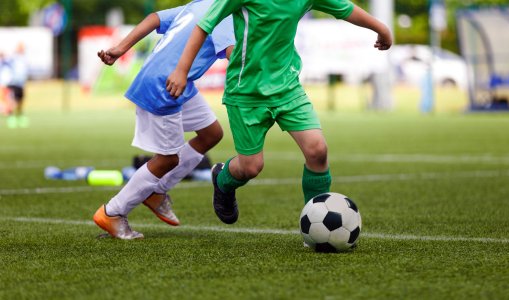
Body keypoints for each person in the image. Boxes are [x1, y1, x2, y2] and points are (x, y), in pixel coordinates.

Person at [166, 0, 392, 224]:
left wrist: (381, 28)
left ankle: (312, 222)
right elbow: (204, 25)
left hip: (288, 89)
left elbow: (345, 10)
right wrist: (181, 70)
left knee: (317, 150)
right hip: (246, 93)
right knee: (251, 166)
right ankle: (223, 180)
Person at [92, 0, 235, 239]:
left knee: (211, 134)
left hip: (178, 81)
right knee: (168, 159)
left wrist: (120, 48)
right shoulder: (228, 15)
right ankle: (113, 212)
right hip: (165, 84)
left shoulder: (201, 4)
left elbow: (154, 18)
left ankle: (156, 191)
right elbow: (236, 56)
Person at [5, 43, 29, 128]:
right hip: (13, 82)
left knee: (20, 101)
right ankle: (11, 117)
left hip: (21, 83)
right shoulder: (13, 57)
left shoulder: (24, 59)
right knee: (12, 100)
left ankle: (19, 116)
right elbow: (5, 59)